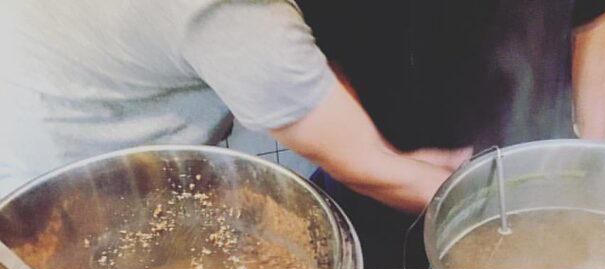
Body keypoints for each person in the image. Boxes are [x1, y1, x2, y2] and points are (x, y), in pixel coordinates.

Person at [298, 0, 605, 269]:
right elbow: (316, 57)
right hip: (379, 180)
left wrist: (593, 148)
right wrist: (378, 162)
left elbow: (596, 15)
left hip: (532, 172)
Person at [0, 0, 457, 209]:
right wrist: (486, 205)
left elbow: (316, 64)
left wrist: (367, 144)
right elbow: (367, 171)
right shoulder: (233, 13)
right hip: (84, 193)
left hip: (56, 108)